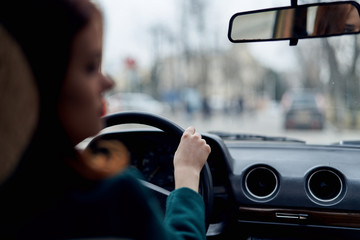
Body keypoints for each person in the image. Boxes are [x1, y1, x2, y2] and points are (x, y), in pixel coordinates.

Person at [0, 0, 211, 239]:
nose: (110, 83)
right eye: (90, 67)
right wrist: (187, 174)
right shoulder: (114, 198)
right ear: (40, 83)